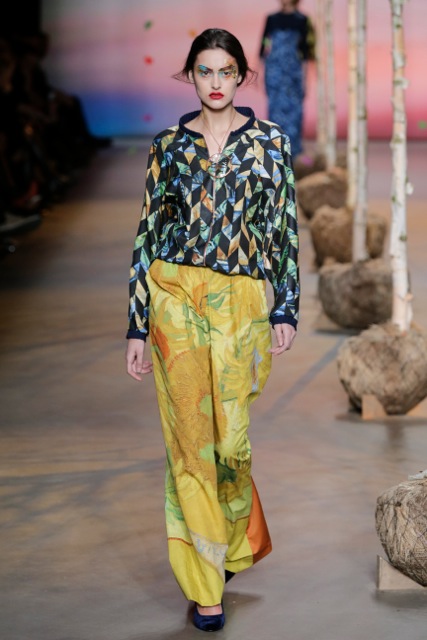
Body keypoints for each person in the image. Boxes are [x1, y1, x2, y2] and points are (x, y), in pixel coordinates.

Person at [125, 28, 299, 632]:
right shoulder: (169, 146)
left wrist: (286, 306)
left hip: (241, 303)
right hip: (174, 296)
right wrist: (137, 324)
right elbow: (148, 234)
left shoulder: (270, 144)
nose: (217, 82)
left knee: (231, 444)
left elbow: (282, 228)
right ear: (190, 75)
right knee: (190, 443)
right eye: (205, 70)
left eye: (227, 70)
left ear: (243, 75)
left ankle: (229, 539)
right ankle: (205, 584)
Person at [260, 0, 315, 157]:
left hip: (293, 72)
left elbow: (305, 51)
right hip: (274, 71)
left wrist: (305, 78)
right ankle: (275, 151)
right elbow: (264, 43)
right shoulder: (271, 19)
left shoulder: (302, 20)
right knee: (274, 109)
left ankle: (293, 152)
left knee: (294, 111)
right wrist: (262, 72)